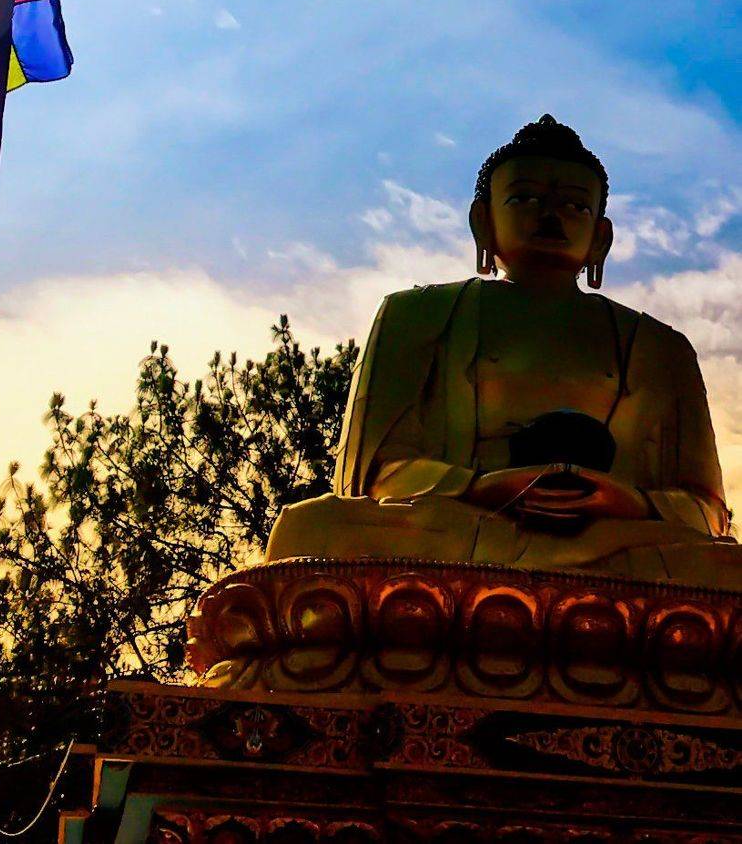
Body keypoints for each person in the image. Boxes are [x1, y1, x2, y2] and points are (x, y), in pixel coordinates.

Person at [266, 115, 740, 589]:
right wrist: (480, 487)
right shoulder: (414, 315)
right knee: (309, 531)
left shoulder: (662, 347)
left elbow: (705, 511)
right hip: (457, 531)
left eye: (575, 205)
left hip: (616, 540)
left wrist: (629, 501)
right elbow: (374, 479)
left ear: (600, 237)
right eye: (525, 198)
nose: (551, 216)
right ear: (483, 221)